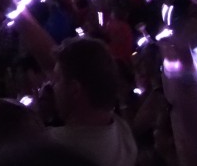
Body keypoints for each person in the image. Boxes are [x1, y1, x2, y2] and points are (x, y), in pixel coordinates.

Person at [47, 38, 137, 166]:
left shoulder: (51, 148)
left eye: (57, 79)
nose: (52, 85)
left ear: (75, 89)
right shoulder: (124, 134)